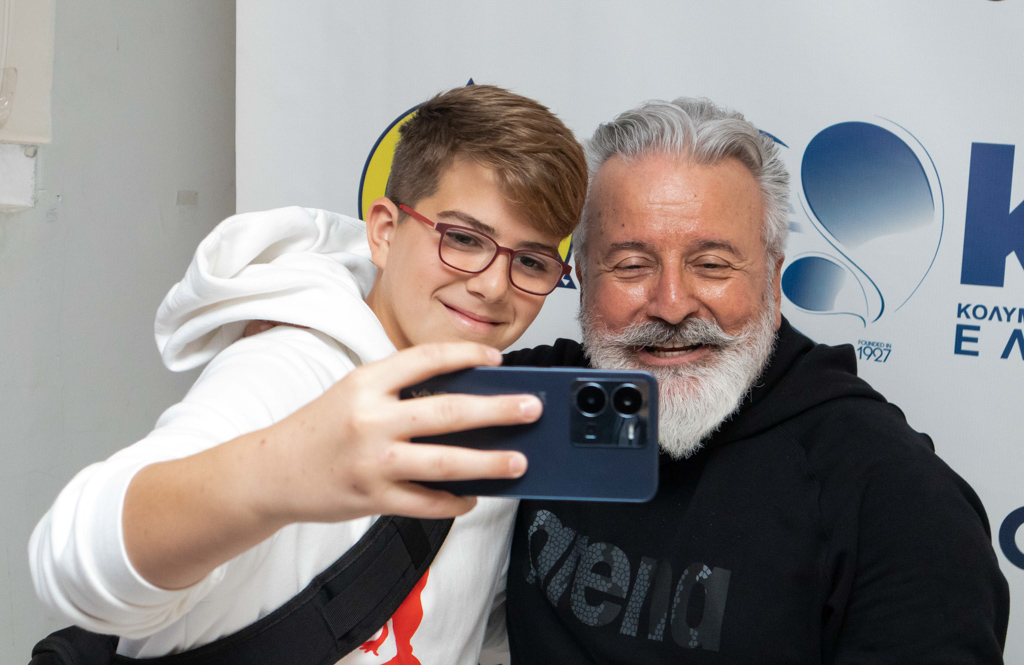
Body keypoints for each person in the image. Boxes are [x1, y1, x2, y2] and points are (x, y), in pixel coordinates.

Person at [29, 84, 587, 664]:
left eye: (531, 261)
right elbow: (73, 560)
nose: (493, 286)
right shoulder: (291, 368)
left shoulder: (494, 420)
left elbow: (469, 621)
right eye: (464, 239)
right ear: (385, 231)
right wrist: (279, 473)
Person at [502, 97, 1010, 663]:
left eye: (712, 265)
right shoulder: (532, 402)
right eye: (631, 265)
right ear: (581, 278)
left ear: (772, 280)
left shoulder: (895, 502)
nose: (671, 305)